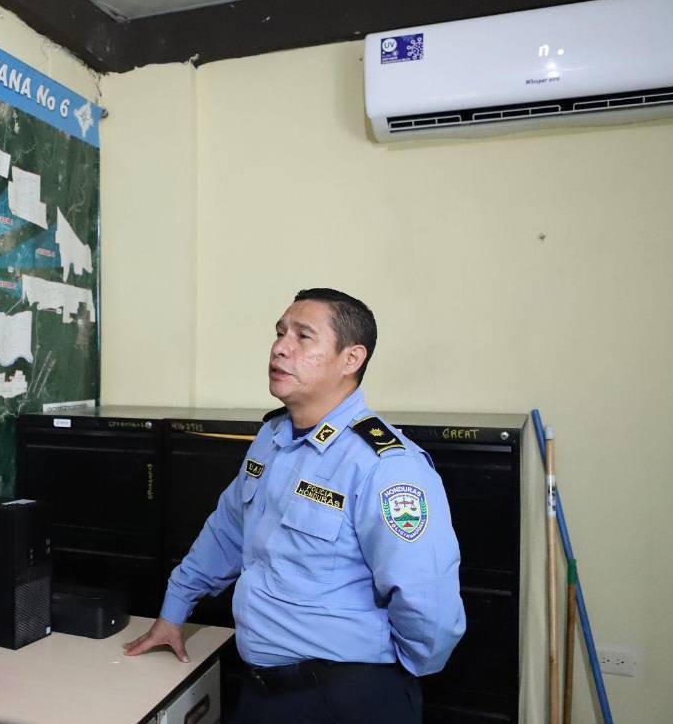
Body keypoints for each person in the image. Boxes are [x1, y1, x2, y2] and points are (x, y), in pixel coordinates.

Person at [124, 288, 466, 723]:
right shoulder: (272, 440)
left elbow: (427, 602)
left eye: (303, 337)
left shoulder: (385, 465)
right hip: (263, 694)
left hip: (348, 701)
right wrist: (175, 610)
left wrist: (387, 682)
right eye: (280, 332)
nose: (280, 347)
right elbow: (226, 533)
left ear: (351, 359)